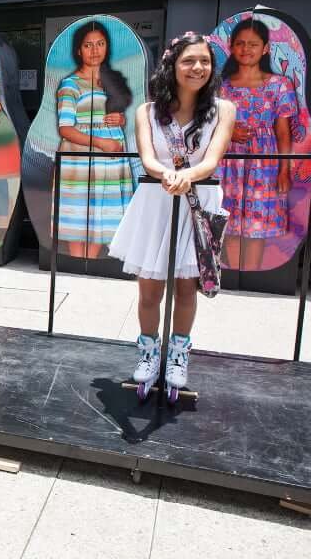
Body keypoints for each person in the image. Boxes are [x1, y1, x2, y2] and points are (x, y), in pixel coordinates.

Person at [108, 32, 235, 396]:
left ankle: (178, 354)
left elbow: (212, 160)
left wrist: (186, 176)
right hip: (157, 201)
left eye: (205, 61)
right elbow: (148, 157)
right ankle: (148, 352)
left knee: (186, 288)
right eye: (188, 60)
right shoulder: (147, 112)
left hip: (198, 202)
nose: (197, 68)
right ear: (172, 66)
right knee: (149, 290)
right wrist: (167, 174)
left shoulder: (223, 110)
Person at [218, 18, 297, 270]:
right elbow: (210, 125)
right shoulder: (222, 87)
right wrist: (229, 132)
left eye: (253, 44)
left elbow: (283, 132)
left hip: (264, 165)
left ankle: (250, 275)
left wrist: (284, 171)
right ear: (231, 47)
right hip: (228, 163)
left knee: (256, 224)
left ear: (265, 48)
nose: (246, 49)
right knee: (229, 221)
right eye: (240, 43)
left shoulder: (279, 85)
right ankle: (232, 274)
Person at [57, 21, 135, 258]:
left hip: (110, 161)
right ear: (79, 50)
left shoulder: (113, 80)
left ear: (107, 47)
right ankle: (77, 265)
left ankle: (90, 263)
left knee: (101, 216)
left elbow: (113, 113)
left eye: (100, 44)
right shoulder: (70, 85)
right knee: (80, 215)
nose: (94, 50)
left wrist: (120, 120)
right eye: (88, 45)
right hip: (80, 160)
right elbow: (65, 128)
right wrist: (101, 143)